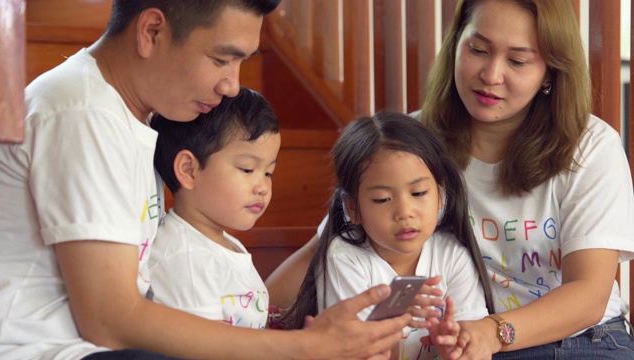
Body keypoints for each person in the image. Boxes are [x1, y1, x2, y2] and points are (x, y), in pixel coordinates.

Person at [0, 1, 413, 359]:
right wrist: (308, 346)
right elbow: (110, 321)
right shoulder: (81, 112)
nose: (231, 86)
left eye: (241, 63)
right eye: (221, 59)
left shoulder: (132, 116)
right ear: (152, 31)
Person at [265, 0, 634, 359]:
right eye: (478, 49)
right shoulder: (409, 143)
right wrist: (245, 320)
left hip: (581, 339)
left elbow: (588, 295)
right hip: (462, 343)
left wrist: (491, 332)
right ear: (455, 44)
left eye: (517, 61)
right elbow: (320, 257)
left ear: (550, 72)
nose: (490, 76)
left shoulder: (589, 147)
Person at [279, 112, 495, 360]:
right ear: (352, 209)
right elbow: (352, 351)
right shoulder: (345, 257)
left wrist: (454, 346)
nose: (404, 213)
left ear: (440, 195)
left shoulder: (452, 255)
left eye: (418, 193)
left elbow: (472, 339)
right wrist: (392, 315)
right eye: (382, 199)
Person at [148, 87, 280, 329]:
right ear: (189, 170)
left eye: (268, 172)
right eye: (247, 169)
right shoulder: (185, 259)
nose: (262, 186)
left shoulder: (224, 243)